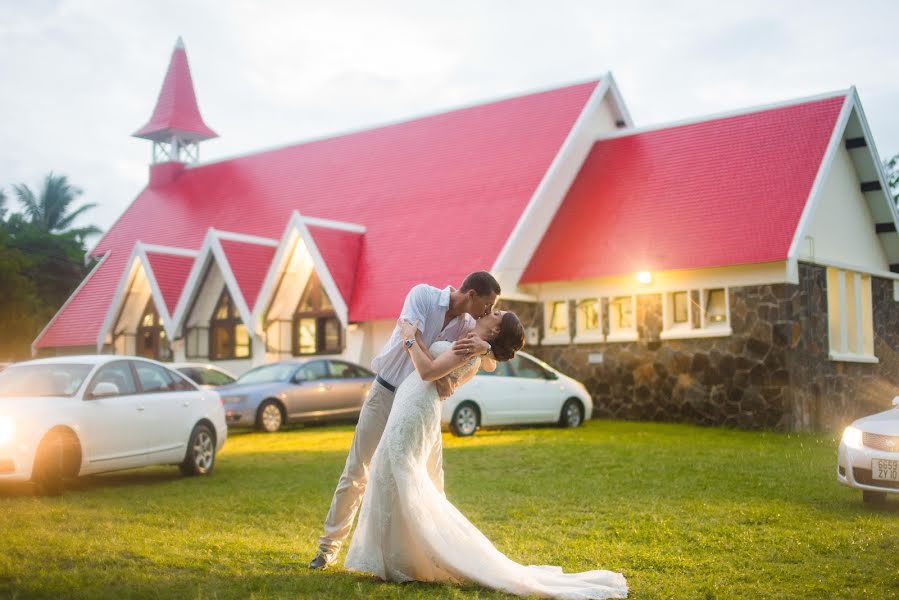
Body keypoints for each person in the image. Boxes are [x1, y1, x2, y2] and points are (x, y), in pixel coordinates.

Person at [344, 312, 628, 599]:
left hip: (416, 406)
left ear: (494, 330)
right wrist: (421, 340)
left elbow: (428, 371)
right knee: (389, 471)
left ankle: (407, 559)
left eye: (496, 314)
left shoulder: (473, 348)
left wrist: (409, 339)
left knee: (400, 475)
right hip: (413, 401)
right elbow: (444, 371)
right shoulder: (475, 344)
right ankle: (396, 558)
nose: (489, 311)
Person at [309, 271, 500, 569]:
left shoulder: (467, 325)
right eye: (486, 306)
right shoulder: (422, 295)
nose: (487, 313)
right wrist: (436, 369)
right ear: (471, 294)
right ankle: (327, 548)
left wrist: (485, 348)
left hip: (417, 408)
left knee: (429, 479)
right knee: (358, 469)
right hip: (386, 394)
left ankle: (434, 553)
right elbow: (409, 337)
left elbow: (489, 359)